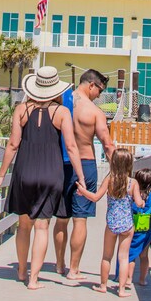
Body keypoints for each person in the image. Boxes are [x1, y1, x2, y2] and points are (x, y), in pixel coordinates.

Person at [0, 66, 86, 290]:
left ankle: (22, 270)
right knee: (42, 227)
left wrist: (0, 175)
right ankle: (34, 279)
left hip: (25, 172)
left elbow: (13, 144)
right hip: (51, 173)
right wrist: (80, 176)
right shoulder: (62, 112)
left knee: (24, 226)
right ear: (55, 89)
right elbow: (71, 147)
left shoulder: (21, 110)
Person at [53, 69, 116, 279]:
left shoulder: (61, 101)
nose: (99, 95)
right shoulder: (94, 112)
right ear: (91, 85)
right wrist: (118, 170)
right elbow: (107, 145)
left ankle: (59, 265)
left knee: (61, 219)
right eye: (100, 90)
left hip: (62, 163)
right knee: (80, 220)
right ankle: (73, 270)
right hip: (86, 164)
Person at [76, 148, 145, 297]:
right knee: (124, 256)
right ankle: (121, 290)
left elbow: (95, 198)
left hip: (112, 224)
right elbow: (139, 202)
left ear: (113, 163)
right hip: (127, 224)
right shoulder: (133, 183)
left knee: (107, 256)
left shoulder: (109, 180)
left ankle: (103, 285)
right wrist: (142, 203)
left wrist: (83, 191)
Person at [123, 168, 151, 288]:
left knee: (131, 255)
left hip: (134, 230)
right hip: (148, 231)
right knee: (144, 256)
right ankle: (142, 279)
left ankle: (129, 279)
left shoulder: (133, 195)